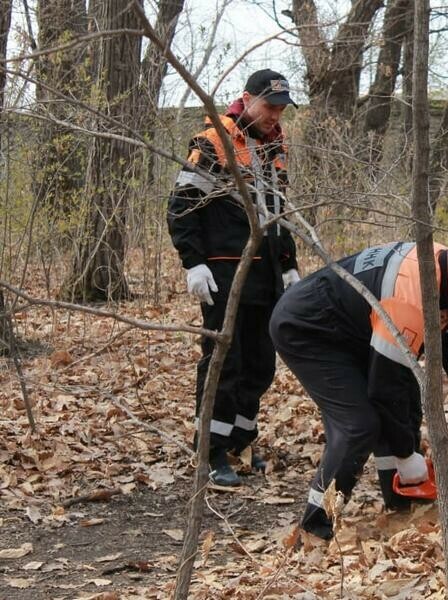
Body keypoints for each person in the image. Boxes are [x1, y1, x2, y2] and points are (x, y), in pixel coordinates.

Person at [269, 235, 448, 540]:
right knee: (359, 425)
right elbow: (385, 386)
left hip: (349, 326)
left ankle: (399, 498)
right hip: (308, 327)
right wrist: (404, 454)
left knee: (406, 402)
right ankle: (315, 525)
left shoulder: (440, 271)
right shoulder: (409, 297)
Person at [167, 69, 301, 486]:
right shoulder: (214, 142)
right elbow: (182, 203)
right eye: (270, 106)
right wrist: (193, 262)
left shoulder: (274, 143)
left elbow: (276, 210)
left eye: (281, 108)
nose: (275, 115)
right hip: (223, 269)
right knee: (226, 361)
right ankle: (211, 450)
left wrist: (288, 261)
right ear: (247, 99)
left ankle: (241, 440)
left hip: (265, 272)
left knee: (260, 363)